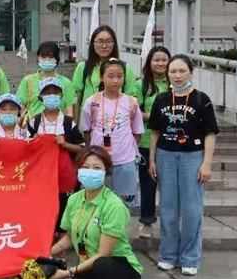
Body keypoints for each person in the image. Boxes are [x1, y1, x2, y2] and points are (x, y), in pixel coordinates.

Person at [148, 54, 218, 276]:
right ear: (167, 74)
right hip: (165, 156)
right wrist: (152, 160)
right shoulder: (161, 99)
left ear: (191, 73)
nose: (177, 76)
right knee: (167, 208)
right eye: (173, 71)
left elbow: (210, 134)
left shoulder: (201, 99)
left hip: (192, 157)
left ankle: (190, 257)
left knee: (191, 209)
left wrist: (206, 163)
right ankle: (168, 255)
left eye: (182, 71)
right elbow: (155, 132)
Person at [49, 146, 142, 279]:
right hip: (88, 267)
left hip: (119, 269)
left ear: (106, 173)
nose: (90, 172)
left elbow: (103, 254)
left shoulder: (114, 205)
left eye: (97, 168)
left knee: (103, 267)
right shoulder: (74, 199)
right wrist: (45, 253)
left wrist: (67, 272)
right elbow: (69, 238)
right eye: (85, 167)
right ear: (77, 170)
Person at [80, 58, 144, 208]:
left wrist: (127, 150)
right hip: (98, 160)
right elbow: (86, 130)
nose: (115, 80)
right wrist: (92, 151)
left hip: (125, 160)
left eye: (120, 76)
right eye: (110, 76)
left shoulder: (131, 102)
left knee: (123, 204)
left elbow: (137, 132)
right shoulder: (92, 101)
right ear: (102, 77)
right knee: (96, 202)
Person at [27, 77, 85, 234]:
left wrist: (65, 145)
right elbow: (25, 149)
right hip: (41, 178)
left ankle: (62, 243)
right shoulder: (34, 122)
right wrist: (34, 142)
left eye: (55, 93)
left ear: (61, 96)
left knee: (63, 213)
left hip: (64, 177)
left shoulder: (68, 123)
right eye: (47, 93)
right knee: (43, 213)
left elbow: (82, 148)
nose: (51, 96)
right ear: (40, 97)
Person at [135, 46, 171, 239]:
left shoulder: (174, 83)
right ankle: (147, 221)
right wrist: (157, 117)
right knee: (148, 183)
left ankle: (170, 222)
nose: (160, 63)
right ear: (149, 62)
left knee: (170, 185)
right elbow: (135, 112)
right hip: (147, 142)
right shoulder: (141, 85)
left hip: (172, 141)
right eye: (156, 59)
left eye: (164, 60)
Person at [72, 26, 137, 120]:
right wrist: (75, 124)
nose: (104, 46)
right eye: (100, 41)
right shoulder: (83, 67)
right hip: (88, 122)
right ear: (93, 44)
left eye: (108, 41)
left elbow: (131, 99)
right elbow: (76, 98)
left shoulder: (125, 68)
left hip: (116, 123)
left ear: (114, 44)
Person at [17, 41, 76, 120]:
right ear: (38, 58)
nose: (47, 60)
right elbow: (21, 108)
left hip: (59, 126)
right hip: (33, 125)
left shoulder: (66, 82)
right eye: (43, 56)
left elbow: (69, 112)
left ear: (56, 58)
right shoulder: (27, 81)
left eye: (51, 56)